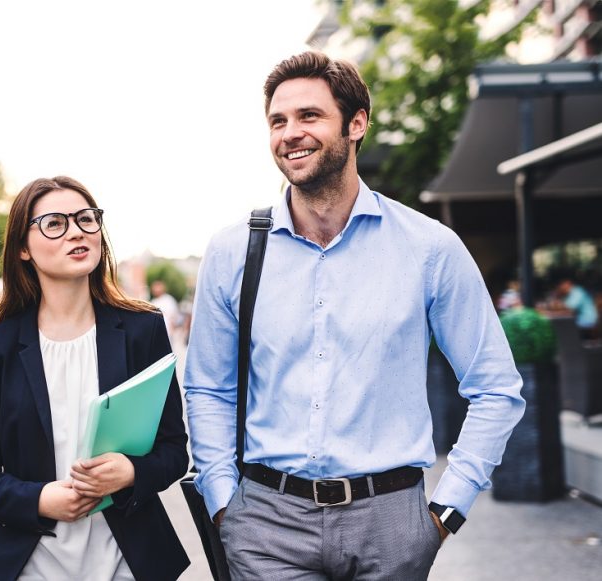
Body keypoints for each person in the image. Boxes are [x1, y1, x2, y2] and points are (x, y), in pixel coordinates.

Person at [184, 52, 525, 580]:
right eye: (278, 120)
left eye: (309, 116)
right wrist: (224, 505)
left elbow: (496, 389)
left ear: (357, 123)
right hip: (266, 525)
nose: (290, 133)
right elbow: (208, 388)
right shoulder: (232, 253)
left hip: (392, 523)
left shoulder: (429, 247)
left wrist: (444, 512)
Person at [0, 176, 189, 581]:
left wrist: (131, 473)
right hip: (33, 564)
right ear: (23, 248)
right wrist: (39, 498)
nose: (76, 231)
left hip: (128, 562)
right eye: (54, 224)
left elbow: (173, 451)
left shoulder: (142, 330)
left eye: (85, 219)